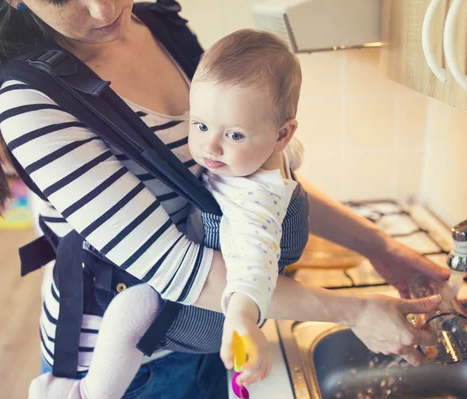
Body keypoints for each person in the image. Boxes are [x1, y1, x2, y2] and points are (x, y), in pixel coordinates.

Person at [0, 1, 449, 398]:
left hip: (215, 330)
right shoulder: (32, 100)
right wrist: (353, 313)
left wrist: (378, 246)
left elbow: (249, 179)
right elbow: (178, 269)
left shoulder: (160, 25)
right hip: (130, 367)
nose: (103, 11)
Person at [29, 28, 307, 399]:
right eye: (201, 125)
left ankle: (89, 394)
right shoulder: (269, 154)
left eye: (234, 135)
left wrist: (242, 317)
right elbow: (291, 156)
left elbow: (254, 257)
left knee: (132, 308)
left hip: (214, 313)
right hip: (205, 303)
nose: (210, 147)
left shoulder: (254, 196)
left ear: (281, 135)